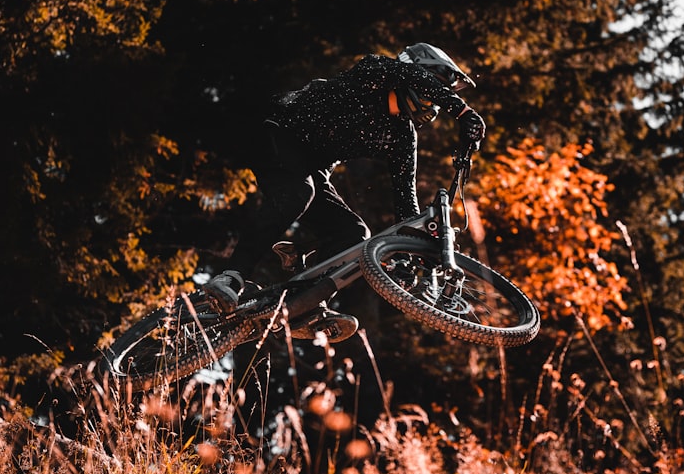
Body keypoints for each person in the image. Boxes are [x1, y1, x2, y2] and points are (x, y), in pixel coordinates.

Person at [202, 43, 486, 322]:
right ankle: (232, 275)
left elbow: (404, 199)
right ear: (414, 72)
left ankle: (303, 307)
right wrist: (461, 111)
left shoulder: (403, 135)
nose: (434, 99)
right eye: (433, 87)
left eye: (440, 94)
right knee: (298, 193)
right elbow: (404, 74)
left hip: (312, 168)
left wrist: (411, 252)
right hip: (277, 133)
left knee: (353, 234)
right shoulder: (374, 73)